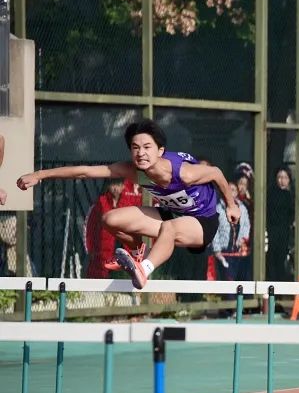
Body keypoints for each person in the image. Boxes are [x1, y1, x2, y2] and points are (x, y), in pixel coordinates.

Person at [16, 119, 239, 289]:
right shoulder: (134, 172)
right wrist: (40, 175)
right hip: (172, 214)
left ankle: (144, 270)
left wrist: (231, 205)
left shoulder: (184, 173)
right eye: (135, 147)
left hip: (203, 222)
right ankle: (136, 252)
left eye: (147, 147)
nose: (140, 153)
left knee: (169, 228)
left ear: (160, 151)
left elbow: (217, 173)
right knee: (110, 219)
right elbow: (85, 172)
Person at [84, 178, 142, 278]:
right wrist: (90, 249)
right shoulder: (101, 202)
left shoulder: (130, 203)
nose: (115, 188)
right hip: (103, 248)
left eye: (118, 185)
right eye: (113, 185)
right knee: (100, 271)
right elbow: (90, 226)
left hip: (125, 246)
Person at [210, 179, 251, 281]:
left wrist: (242, 240)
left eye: (233, 190)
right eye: (228, 189)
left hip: (238, 251)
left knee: (240, 280)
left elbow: (246, 225)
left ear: (237, 192)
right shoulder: (218, 209)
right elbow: (214, 231)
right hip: (224, 252)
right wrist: (217, 250)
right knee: (228, 281)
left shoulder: (242, 208)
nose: (231, 192)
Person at [266, 166, 294, 282]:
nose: (282, 181)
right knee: (272, 258)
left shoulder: (291, 195)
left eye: (285, 177)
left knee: (281, 259)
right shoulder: (271, 194)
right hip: (273, 231)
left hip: (285, 232)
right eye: (279, 177)